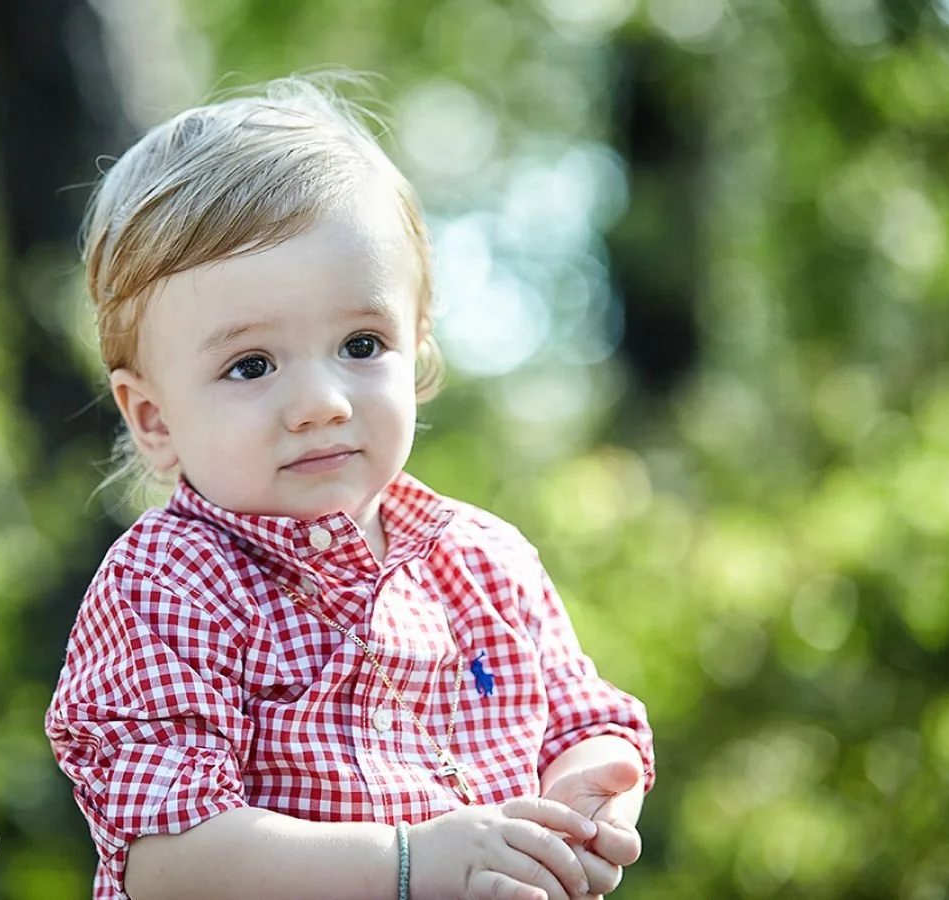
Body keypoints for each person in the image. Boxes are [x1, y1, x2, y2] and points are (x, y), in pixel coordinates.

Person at [44, 73, 655, 900]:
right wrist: (409, 864)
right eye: (250, 365)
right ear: (153, 419)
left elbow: (590, 725)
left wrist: (585, 801)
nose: (322, 404)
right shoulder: (169, 586)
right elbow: (170, 861)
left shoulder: (484, 566)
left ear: (420, 353)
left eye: (362, 345)